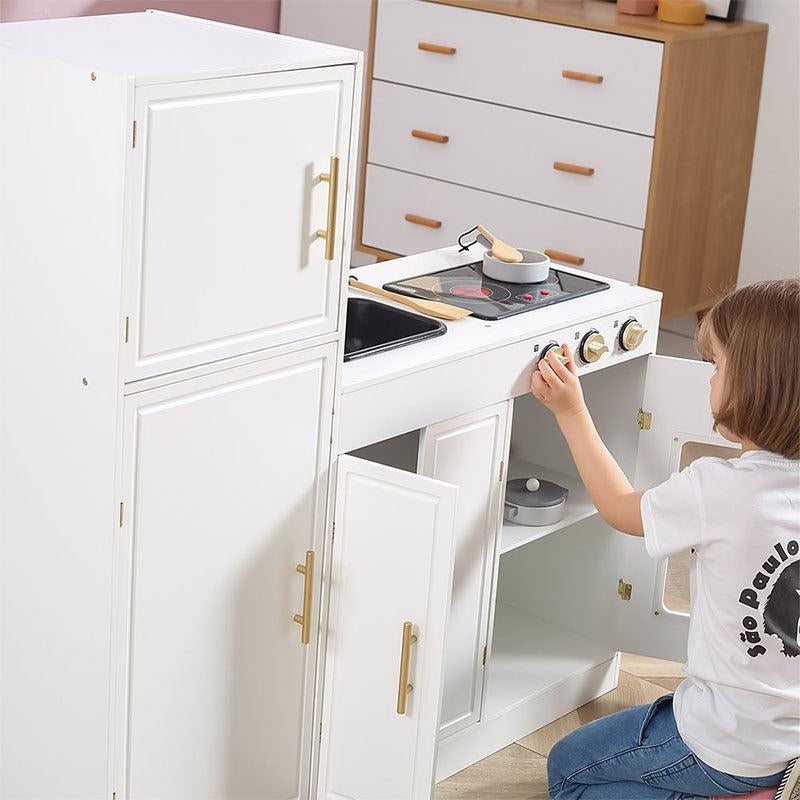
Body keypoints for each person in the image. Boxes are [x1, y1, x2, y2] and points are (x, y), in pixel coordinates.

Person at [531, 278, 800, 800]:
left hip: (724, 743)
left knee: (568, 773)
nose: (710, 379)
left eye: (717, 366)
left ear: (757, 384)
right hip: (789, 744)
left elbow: (619, 509)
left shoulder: (722, 488)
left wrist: (571, 411)